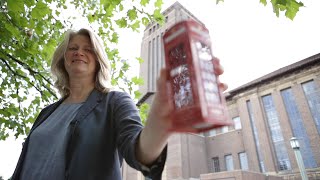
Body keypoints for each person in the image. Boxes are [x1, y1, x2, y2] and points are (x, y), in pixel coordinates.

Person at [11, 28, 227, 180]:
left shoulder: (115, 101)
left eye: (88, 49)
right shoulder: (46, 113)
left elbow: (138, 152)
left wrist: (161, 123)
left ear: (98, 60)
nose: (79, 52)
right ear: (62, 59)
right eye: (73, 48)